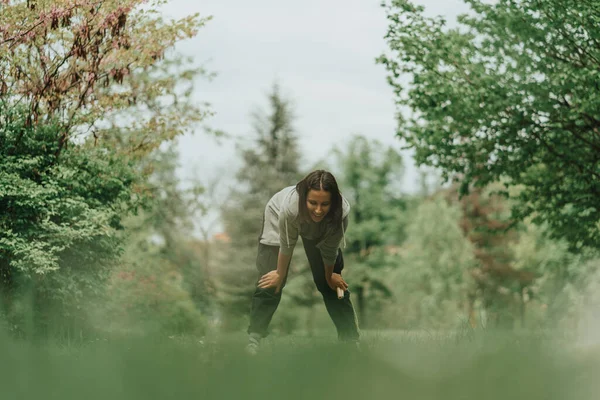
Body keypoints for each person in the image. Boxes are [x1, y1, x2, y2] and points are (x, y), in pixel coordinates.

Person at [246, 170, 360, 354]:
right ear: (304, 198)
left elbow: (330, 251)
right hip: (278, 217)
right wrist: (279, 273)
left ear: (333, 203)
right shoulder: (290, 208)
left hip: (321, 227)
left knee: (333, 283)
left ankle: (350, 340)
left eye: (325, 204)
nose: (318, 209)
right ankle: (254, 339)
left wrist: (330, 276)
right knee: (271, 279)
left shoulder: (340, 214)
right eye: (313, 202)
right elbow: (287, 245)